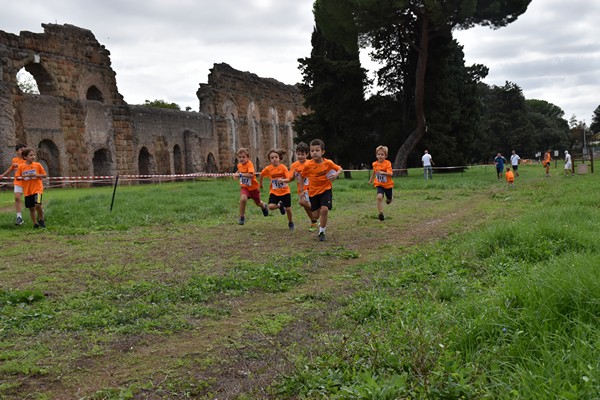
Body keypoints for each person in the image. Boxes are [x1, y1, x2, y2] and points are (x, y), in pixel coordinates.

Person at [299, 139, 343, 241]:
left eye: (317, 150)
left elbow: (339, 168)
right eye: (312, 151)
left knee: (324, 209)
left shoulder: (328, 163)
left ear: (322, 152)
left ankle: (322, 232)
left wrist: (335, 175)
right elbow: (301, 176)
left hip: (326, 190)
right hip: (313, 192)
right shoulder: (308, 165)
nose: (314, 153)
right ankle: (317, 218)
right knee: (315, 215)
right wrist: (301, 191)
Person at [259, 148, 294, 230]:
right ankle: (280, 205)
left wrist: (283, 180)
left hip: (285, 191)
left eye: (276, 157)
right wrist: (261, 184)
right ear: (269, 160)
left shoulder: (283, 168)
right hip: (274, 192)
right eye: (272, 158)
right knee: (271, 206)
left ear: (279, 158)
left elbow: (289, 179)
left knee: (288, 209)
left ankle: (290, 222)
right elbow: (261, 175)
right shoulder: (268, 169)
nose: (274, 159)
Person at [288, 142, 318, 231]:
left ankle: (316, 212)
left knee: (302, 202)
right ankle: (314, 221)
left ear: (307, 154)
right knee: (304, 205)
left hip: (311, 188)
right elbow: (291, 178)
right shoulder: (294, 165)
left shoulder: (310, 163)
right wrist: (284, 179)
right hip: (301, 188)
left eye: (302, 154)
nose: (300, 156)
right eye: (298, 154)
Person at [234, 148, 268, 225]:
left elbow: (251, 174)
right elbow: (240, 170)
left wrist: (240, 175)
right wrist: (236, 175)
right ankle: (242, 217)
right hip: (245, 187)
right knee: (243, 199)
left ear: (248, 157)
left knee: (258, 203)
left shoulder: (249, 164)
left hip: (253, 189)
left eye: (243, 157)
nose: (241, 159)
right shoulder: (239, 165)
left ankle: (263, 206)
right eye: (240, 157)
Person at [14, 147, 46, 228]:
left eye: (34, 155)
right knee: (31, 208)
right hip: (28, 191)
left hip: (37, 189)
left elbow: (44, 175)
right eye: (31, 155)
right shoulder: (21, 167)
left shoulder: (38, 165)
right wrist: (25, 176)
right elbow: (17, 177)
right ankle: (35, 223)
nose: (33, 157)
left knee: (38, 204)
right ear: (25, 157)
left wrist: (36, 175)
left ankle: (41, 219)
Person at [0, 143, 27, 225]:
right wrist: (2, 175)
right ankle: (19, 217)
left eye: (24, 150)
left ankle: (40, 213)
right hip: (18, 182)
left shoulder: (28, 160)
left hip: (27, 183)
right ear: (17, 151)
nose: (23, 151)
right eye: (21, 150)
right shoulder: (14, 160)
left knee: (32, 202)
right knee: (17, 198)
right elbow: (11, 168)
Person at [368, 145, 394, 221]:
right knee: (379, 197)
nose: (380, 156)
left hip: (388, 185)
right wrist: (371, 180)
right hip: (379, 184)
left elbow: (391, 174)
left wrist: (383, 172)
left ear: (385, 156)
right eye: (378, 154)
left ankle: (390, 198)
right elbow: (374, 172)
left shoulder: (387, 163)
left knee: (388, 200)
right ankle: (381, 214)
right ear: (376, 155)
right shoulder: (375, 164)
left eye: (382, 154)